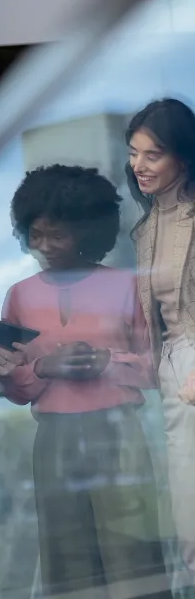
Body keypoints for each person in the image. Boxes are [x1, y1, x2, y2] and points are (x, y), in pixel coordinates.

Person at [0, 164, 167, 598]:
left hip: (118, 432)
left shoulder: (127, 287)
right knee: (66, 557)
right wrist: (43, 368)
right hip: (53, 437)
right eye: (35, 235)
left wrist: (105, 360)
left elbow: (157, 366)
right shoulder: (20, 295)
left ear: (87, 231)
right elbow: (16, 388)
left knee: (132, 551)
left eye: (57, 235)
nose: (44, 246)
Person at [127, 98, 195, 583]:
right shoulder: (146, 226)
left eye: (153, 155)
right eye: (133, 153)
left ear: (185, 157)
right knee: (187, 519)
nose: (138, 165)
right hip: (173, 370)